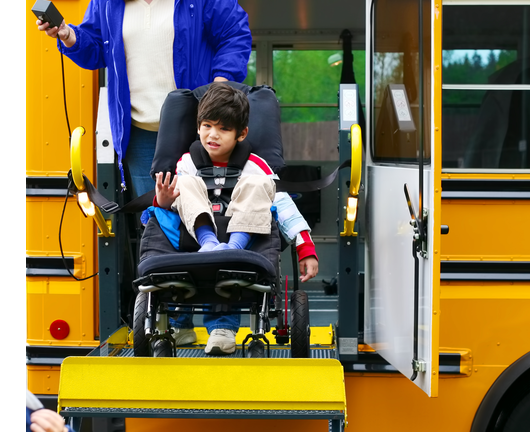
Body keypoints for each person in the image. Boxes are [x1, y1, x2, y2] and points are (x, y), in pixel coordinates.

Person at [152, 83, 319, 354]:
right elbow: (172, 205)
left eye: (223, 129)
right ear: (197, 127)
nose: (212, 135)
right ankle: (208, 250)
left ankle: (223, 322)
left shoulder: (256, 166)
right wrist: (164, 199)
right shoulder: (187, 163)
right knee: (185, 183)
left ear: (241, 134)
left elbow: (283, 206)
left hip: (241, 240)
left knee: (258, 185)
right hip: (196, 239)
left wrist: (305, 246)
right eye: (207, 126)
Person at [35, 0, 252, 198]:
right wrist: (67, 35)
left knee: (206, 210)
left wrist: (219, 89)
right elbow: (97, 50)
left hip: (199, 129)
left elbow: (234, 34)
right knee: (154, 219)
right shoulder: (105, 3)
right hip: (141, 134)